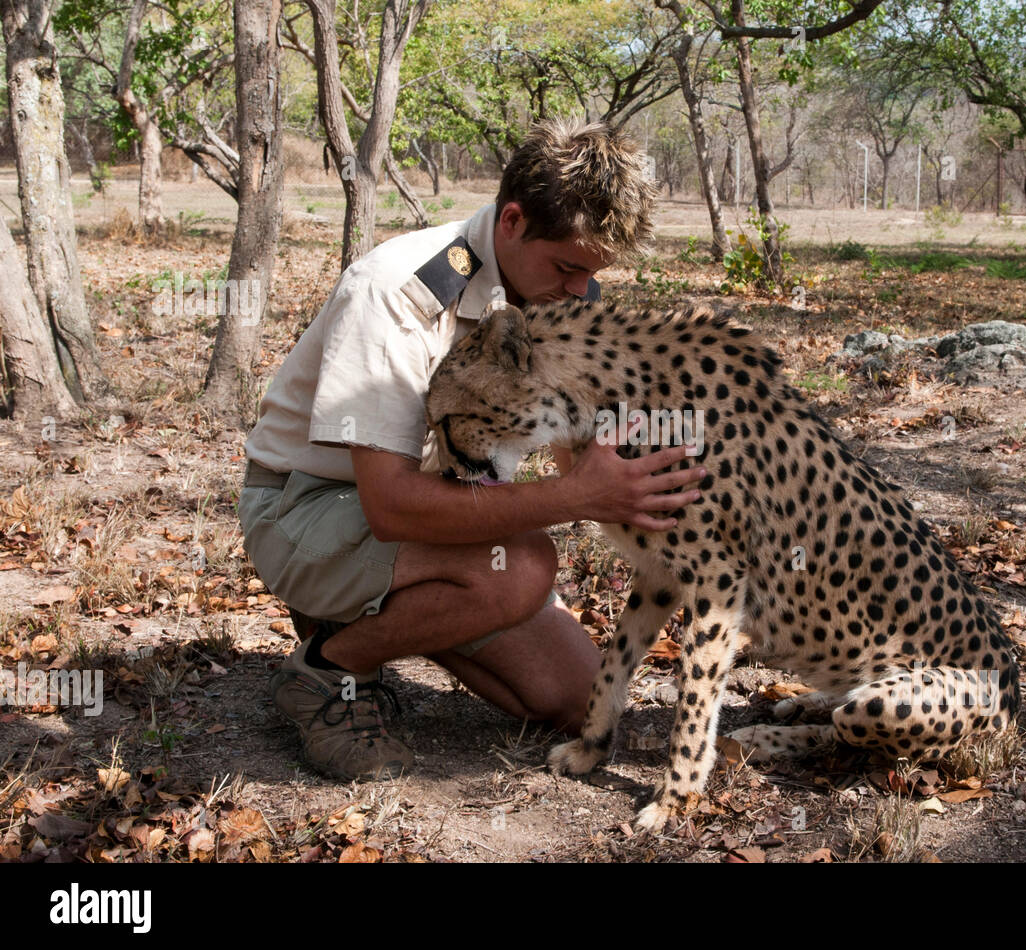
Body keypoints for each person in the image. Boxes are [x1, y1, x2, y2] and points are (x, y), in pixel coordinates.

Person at [237, 119, 704, 781]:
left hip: (428, 517)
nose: (581, 291)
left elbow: (583, 452)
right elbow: (392, 506)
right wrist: (575, 498)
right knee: (521, 567)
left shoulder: (557, 290)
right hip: (305, 507)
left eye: (593, 274)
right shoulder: (398, 291)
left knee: (579, 697)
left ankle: (371, 610)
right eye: (569, 267)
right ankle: (327, 671)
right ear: (511, 221)